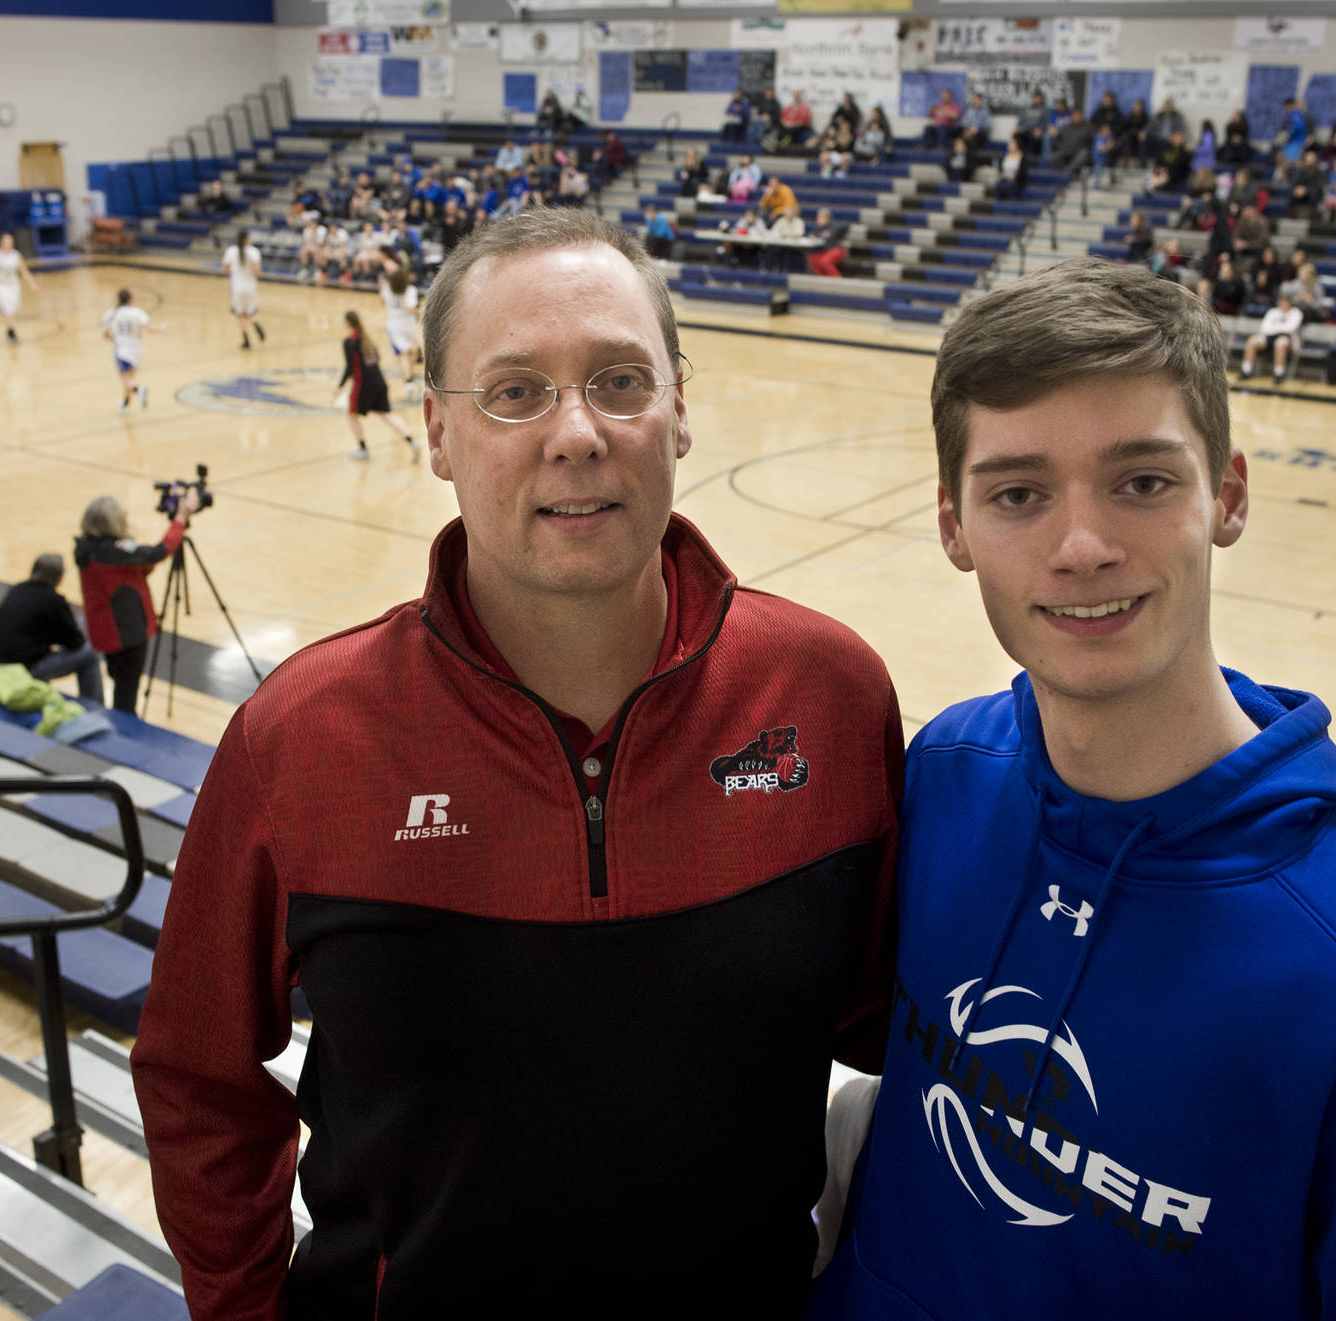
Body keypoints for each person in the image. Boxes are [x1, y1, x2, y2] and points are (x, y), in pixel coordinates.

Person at [130, 206, 902, 1319]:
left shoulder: (828, 700)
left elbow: (893, 1028)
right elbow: (195, 1074)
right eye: (514, 391)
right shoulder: (301, 738)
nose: (577, 432)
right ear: (437, 431)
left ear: (678, 409)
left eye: (621, 379)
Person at [809, 257, 1336, 1321]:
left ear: (1225, 495)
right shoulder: (942, 777)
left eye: (1140, 481)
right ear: (952, 526)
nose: (1082, 546)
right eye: (1016, 494)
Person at [73, 491, 196, 713]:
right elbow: (159, 552)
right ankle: (124, 734)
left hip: (105, 631)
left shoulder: (88, 547)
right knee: (126, 692)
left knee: (120, 681)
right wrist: (180, 519)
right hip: (125, 634)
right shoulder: (113, 552)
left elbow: (133, 572)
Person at [0, 552, 102, 703]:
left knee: (36, 651)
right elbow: (76, 642)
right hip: (18, 670)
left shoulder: (18, 589)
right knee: (89, 656)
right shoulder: (54, 601)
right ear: (59, 577)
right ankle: (94, 708)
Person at [333, 308, 418, 462]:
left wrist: (340, 387)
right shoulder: (367, 339)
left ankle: (363, 449)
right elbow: (377, 359)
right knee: (387, 415)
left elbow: (350, 367)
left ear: (347, 323)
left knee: (351, 415)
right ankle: (412, 441)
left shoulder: (350, 342)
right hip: (379, 381)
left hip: (363, 385)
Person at [100, 288, 157, 412]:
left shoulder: (112, 313)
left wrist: (115, 338)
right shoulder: (137, 312)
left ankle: (138, 390)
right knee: (130, 378)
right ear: (130, 299)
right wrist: (160, 329)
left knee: (127, 380)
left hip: (122, 350)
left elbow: (105, 334)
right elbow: (149, 327)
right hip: (137, 349)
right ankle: (125, 403)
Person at [0, 231, 40, 344]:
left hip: (14, 285)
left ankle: (10, 325)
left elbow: (23, 271)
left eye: (11, 241)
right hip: (1, 286)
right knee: (8, 308)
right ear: (1, 243)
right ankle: (11, 331)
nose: (9, 243)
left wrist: (32, 283)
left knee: (14, 308)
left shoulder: (15, 254)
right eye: (7, 241)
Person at [379, 255, 423, 393]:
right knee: (417, 348)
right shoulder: (410, 291)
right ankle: (418, 362)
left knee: (404, 355)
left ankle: (408, 383)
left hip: (393, 324)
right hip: (408, 323)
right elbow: (410, 309)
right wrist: (421, 311)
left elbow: (382, 302)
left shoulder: (385, 290)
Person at [1241, 292, 1304, 384]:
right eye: (1281, 302)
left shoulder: (1296, 312)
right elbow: (1265, 328)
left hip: (1287, 339)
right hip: (1268, 337)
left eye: (1286, 302)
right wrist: (1280, 327)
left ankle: (1278, 374)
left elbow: (1290, 328)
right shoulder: (1273, 312)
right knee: (1252, 341)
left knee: (1280, 343)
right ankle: (1246, 371)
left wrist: (1275, 327)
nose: (1283, 304)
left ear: (1290, 303)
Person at [221, 229, 266, 350]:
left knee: (239, 314)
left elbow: (224, 268)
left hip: (236, 287)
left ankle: (246, 339)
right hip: (251, 286)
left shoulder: (231, 251)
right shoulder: (254, 251)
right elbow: (257, 270)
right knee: (251, 312)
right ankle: (255, 322)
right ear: (248, 239)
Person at [806, 206, 847, 278]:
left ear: (826, 218)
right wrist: (812, 236)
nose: (818, 220)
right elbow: (812, 234)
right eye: (818, 217)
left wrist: (818, 235)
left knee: (825, 261)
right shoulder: (819, 228)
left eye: (820, 218)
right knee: (812, 259)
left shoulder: (834, 225)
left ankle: (838, 280)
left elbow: (829, 235)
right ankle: (821, 279)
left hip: (836, 249)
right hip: (825, 251)